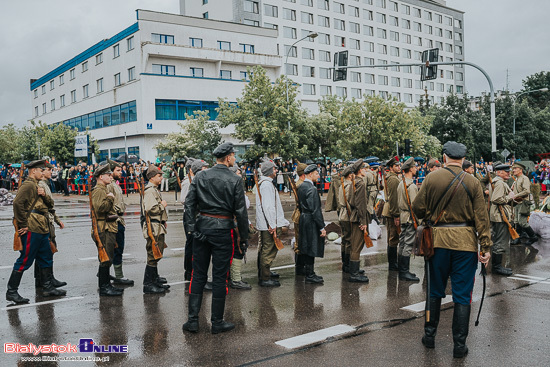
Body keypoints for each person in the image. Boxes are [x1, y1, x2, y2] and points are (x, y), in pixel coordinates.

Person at [412, 141, 491, 359]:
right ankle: (459, 345)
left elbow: (417, 208)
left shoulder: (432, 178)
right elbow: (481, 218)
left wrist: (432, 212)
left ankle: (429, 336)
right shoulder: (473, 182)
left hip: (437, 242)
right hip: (465, 244)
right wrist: (485, 247)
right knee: (462, 295)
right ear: (463, 159)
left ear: (444, 157)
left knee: (434, 291)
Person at [183, 142, 249, 334]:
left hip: (202, 228)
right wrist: (243, 237)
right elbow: (241, 212)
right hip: (223, 230)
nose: (235, 158)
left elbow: (189, 205)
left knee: (198, 275)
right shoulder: (235, 179)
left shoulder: (201, 175)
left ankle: (193, 321)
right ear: (228, 157)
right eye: (234, 155)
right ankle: (217, 322)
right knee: (220, 277)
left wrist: (191, 228)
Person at [7, 160, 67, 304]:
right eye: (41, 170)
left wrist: (44, 195)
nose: (43, 172)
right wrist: (23, 224)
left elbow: (48, 205)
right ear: (34, 171)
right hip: (32, 227)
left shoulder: (36, 185)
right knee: (25, 259)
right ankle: (12, 291)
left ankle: (47, 288)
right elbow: (17, 203)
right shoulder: (28, 185)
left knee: (46, 257)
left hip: (41, 227)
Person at [92, 164, 124, 297]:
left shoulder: (103, 188)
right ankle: (104, 286)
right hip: (103, 228)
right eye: (108, 175)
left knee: (108, 257)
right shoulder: (99, 190)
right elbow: (100, 208)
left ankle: (106, 285)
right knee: (105, 258)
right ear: (101, 176)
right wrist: (110, 198)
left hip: (107, 226)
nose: (111, 177)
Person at [256, 160, 289, 287]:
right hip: (269, 225)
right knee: (268, 250)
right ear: (269, 171)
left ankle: (266, 272)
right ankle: (265, 277)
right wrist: (272, 225)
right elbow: (268, 207)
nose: (276, 171)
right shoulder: (266, 185)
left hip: (268, 223)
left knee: (266, 249)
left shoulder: (266, 184)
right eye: (274, 169)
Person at [34, 162, 67, 289]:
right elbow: (48, 206)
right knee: (46, 251)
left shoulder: (45, 184)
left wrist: (58, 220)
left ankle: (48, 279)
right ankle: (44, 280)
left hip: (48, 220)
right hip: (44, 221)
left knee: (48, 250)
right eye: (48, 170)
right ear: (42, 171)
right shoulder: (41, 185)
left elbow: (50, 207)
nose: (50, 172)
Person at [141, 164, 170, 294]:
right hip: (153, 226)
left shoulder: (154, 189)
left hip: (158, 225)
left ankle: (154, 280)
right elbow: (150, 209)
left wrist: (163, 220)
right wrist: (162, 206)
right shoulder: (150, 190)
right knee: (153, 255)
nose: (161, 178)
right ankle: (148, 284)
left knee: (157, 253)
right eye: (159, 176)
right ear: (152, 177)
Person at [297, 164, 327, 284]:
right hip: (310, 219)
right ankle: (310, 274)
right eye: (316, 173)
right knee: (311, 246)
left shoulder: (302, 186)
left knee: (306, 245)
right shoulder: (312, 189)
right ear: (310, 174)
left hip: (304, 218)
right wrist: (321, 226)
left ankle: (308, 272)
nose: (318, 175)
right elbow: (315, 210)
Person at [180, 158, 209, 281]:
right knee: (192, 246)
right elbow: (184, 200)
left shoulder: (198, 181)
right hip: (191, 216)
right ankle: (190, 273)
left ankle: (191, 273)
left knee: (194, 246)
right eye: (203, 168)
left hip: (196, 215)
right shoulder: (189, 182)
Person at [107, 159, 134, 286]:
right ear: (111, 172)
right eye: (118, 170)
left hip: (119, 219)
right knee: (115, 249)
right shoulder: (110, 185)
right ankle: (118, 276)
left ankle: (107, 274)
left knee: (117, 248)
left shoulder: (115, 184)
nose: (121, 172)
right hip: (114, 220)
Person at [229, 164, 252, 290]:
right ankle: (236, 279)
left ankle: (231, 277)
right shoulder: (234, 188)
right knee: (238, 249)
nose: (240, 175)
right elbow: (243, 206)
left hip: (234, 222)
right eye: (238, 173)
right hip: (236, 223)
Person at [396, 157, 420, 282]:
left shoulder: (401, 183)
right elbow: (415, 206)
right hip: (410, 218)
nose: (416, 168)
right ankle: (404, 272)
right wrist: (419, 221)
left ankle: (401, 270)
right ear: (410, 169)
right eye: (415, 167)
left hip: (403, 216)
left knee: (402, 242)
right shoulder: (411, 186)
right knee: (408, 243)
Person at [489, 163, 514, 276]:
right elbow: (496, 199)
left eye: (509, 171)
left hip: (498, 214)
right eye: (506, 171)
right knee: (500, 241)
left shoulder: (497, 182)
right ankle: (496, 267)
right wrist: (510, 197)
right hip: (500, 216)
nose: (509, 173)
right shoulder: (499, 183)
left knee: (499, 240)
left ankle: (497, 266)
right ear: (499, 172)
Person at [349, 160, 370, 282]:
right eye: (364, 168)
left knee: (354, 245)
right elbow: (361, 204)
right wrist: (363, 221)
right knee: (357, 246)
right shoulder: (361, 183)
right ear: (359, 170)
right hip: (359, 217)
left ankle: (354, 272)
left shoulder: (354, 181)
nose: (365, 170)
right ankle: (354, 274)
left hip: (354, 216)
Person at [511, 161, 538, 245]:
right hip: (517, 202)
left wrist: (515, 196)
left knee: (522, 222)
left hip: (523, 202)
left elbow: (527, 191)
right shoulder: (517, 179)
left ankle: (533, 237)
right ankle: (518, 238)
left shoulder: (524, 178)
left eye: (515, 168)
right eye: (513, 168)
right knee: (516, 221)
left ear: (520, 170)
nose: (513, 170)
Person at [382, 156, 401, 271]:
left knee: (393, 237)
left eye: (399, 165)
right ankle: (393, 264)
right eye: (396, 166)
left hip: (390, 210)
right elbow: (394, 198)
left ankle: (393, 263)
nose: (399, 167)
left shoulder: (392, 177)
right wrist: (396, 215)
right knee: (393, 237)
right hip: (392, 210)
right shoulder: (393, 179)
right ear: (391, 167)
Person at [337, 165, 354, 274]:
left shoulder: (342, 185)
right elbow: (350, 202)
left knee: (344, 239)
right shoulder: (349, 186)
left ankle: (345, 263)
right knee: (349, 240)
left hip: (342, 214)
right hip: (347, 214)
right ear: (349, 175)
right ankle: (348, 265)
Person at [293, 163, 308, 276]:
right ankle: (300, 267)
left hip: (298, 214)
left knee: (300, 240)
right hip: (301, 214)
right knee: (301, 241)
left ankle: (300, 266)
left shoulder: (299, 183)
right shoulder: (302, 185)